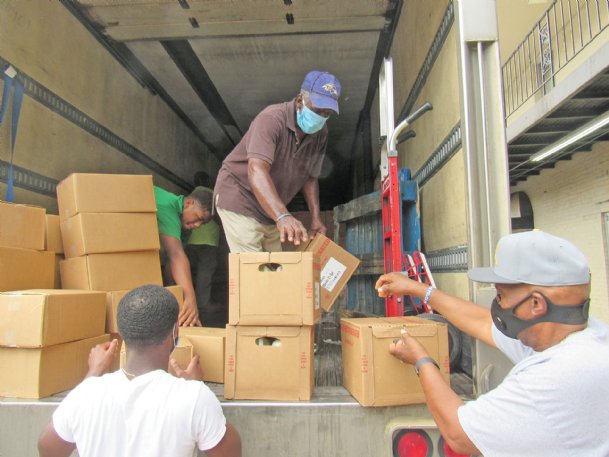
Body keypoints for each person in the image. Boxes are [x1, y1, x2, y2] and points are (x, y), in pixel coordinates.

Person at [375, 230, 609, 456]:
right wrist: (417, 289)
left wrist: (421, 360)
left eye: (501, 296)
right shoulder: (583, 338)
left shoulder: (554, 380)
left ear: (536, 304)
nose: (497, 305)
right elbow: (483, 323)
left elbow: (458, 435)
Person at [37, 284, 242, 457]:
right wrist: (194, 386)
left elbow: (48, 447)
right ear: (174, 332)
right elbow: (230, 452)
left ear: (122, 331)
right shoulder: (194, 397)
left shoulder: (85, 394)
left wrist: (93, 373)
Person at [213, 70, 341, 252]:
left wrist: (315, 217)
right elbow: (256, 170)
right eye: (317, 110)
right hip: (240, 197)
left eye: (326, 113)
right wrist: (282, 216)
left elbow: (310, 177)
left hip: (269, 209)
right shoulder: (271, 119)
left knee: (276, 270)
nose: (320, 117)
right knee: (254, 270)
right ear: (299, 101)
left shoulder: (321, 132)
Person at [154, 185, 213, 326]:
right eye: (199, 218)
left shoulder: (185, 228)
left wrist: (174, 297)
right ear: (188, 203)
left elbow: (172, 262)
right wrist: (190, 299)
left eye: (202, 223)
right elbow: (176, 255)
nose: (198, 225)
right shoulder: (167, 205)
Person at [185, 175, 223, 316]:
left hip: (191, 241)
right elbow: (220, 218)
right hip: (208, 242)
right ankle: (203, 304)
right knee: (205, 274)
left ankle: (183, 302)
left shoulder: (194, 196)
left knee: (186, 272)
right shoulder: (210, 197)